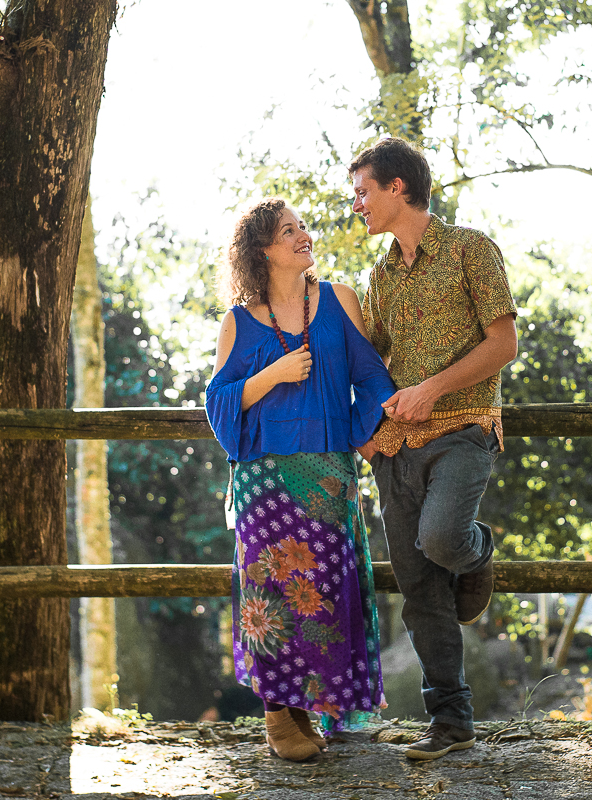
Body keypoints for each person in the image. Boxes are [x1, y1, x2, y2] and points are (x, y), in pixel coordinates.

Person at [206, 197, 397, 762]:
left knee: (324, 595)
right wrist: (273, 374)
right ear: (263, 250)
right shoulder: (238, 322)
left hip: (329, 476)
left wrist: (357, 432)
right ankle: (278, 717)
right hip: (263, 480)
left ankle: (309, 709)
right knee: (270, 597)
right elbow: (219, 405)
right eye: (288, 231)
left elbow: (373, 378)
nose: (302, 236)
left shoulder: (339, 300)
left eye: (302, 226)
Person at [350, 137, 518, 761]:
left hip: (465, 430)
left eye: (363, 192)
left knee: (444, 541)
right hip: (396, 449)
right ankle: (451, 722)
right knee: (420, 593)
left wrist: (431, 390)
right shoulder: (380, 275)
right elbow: (369, 363)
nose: (357, 204)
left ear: (397, 187)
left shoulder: (471, 249)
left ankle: (478, 553)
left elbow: (503, 344)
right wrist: (367, 437)